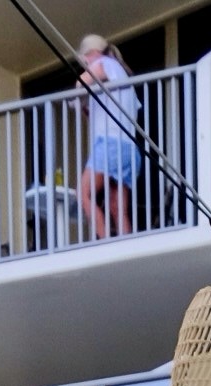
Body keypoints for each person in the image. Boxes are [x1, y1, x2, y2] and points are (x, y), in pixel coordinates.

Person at [78, 34, 137, 240]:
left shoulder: (104, 63)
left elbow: (82, 83)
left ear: (91, 53)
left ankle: (105, 242)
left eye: (85, 60)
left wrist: (79, 90)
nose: (86, 65)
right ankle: (126, 247)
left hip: (110, 144)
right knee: (117, 207)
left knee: (84, 194)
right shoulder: (121, 76)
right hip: (129, 148)